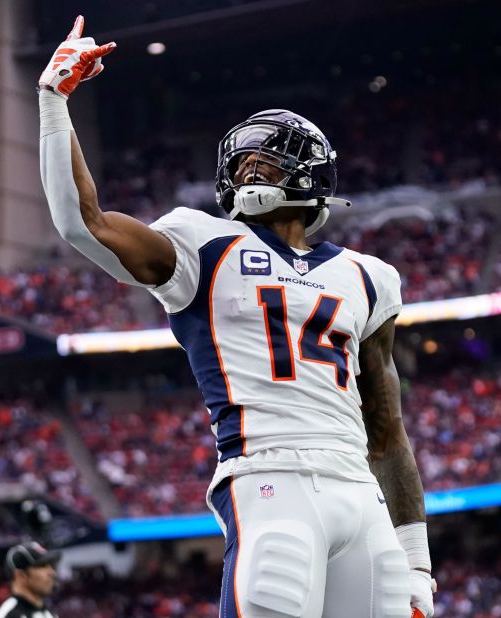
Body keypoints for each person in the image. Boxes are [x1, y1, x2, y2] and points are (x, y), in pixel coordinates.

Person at [37, 16, 435, 618]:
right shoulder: (202, 243)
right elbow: (84, 224)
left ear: (312, 172)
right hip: (270, 479)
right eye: (241, 162)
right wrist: (53, 104)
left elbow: (387, 428)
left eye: (265, 162)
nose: (247, 171)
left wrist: (417, 558)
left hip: (360, 492)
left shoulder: (369, 275)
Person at [0, 542, 60, 618]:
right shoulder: (7, 615)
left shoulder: (49, 613)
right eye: (42, 566)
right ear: (21, 576)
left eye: (51, 566)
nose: (52, 573)